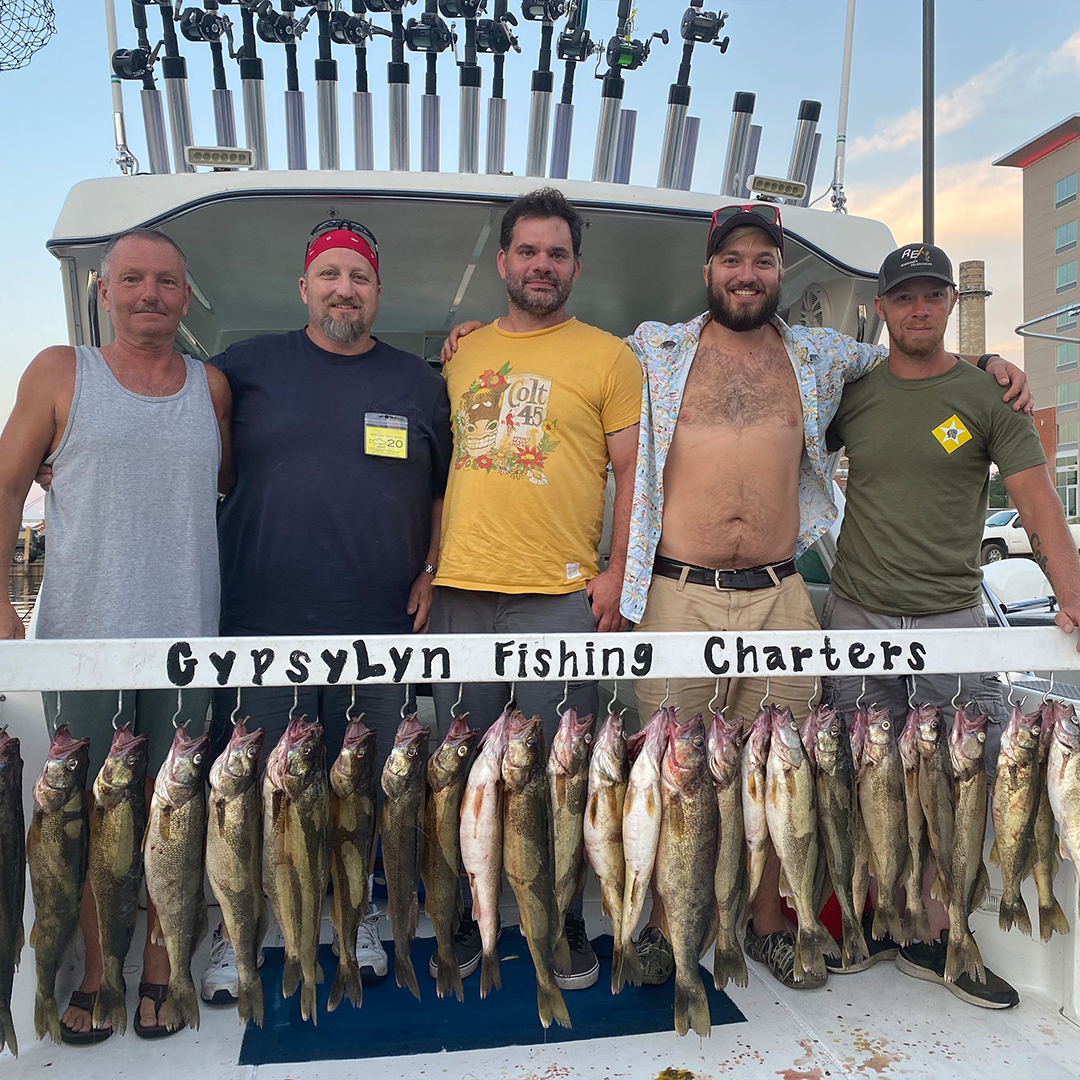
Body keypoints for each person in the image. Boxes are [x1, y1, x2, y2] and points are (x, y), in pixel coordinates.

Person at [618, 206, 1031, 991]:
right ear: (707, 272)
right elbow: (569, 366)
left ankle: (771, 926)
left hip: (779, 594)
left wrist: (987, 362)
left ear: (781, 273)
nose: (748, 274)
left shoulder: (820, 354)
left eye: (764, 261)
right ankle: (668, 931)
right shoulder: (654, 348)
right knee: (673, 772)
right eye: (732, 260)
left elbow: (916, 360)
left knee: (782, 768)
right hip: (680, 591)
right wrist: (470, 334)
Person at [819, 242, 1080, 1008]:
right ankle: (870, 922)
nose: (920, 309)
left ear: (952, 306)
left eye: (933, 296)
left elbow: (1037, 505)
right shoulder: (853, 395)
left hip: (954, 620)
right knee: (862, 779)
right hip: (857, 613)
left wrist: (1073, 594)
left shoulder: (990, 396)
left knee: (952, 786)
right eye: (905, 298)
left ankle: (940, 937)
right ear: (883, 308)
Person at [199, 218, 452, 1003]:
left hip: (376, 619)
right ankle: (240, 920)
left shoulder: (419, 383)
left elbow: (445, 487)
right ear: (303, 285)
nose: (346, 289)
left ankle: (355, 909)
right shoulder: (243, 367)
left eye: (361, 277)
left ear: (379, 292)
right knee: (253, 787)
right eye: (331, 274)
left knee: (364, 783)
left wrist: (434, 569)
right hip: (260, 618)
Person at [0, 227, 232, 1040]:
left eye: (167, 282)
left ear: (186, 294)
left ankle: (163, 967)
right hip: (82, 637)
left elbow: (223, 483)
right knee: (94, 822)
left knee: (179, 812)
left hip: (186, 642)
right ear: (104, 290)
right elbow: (4, 481)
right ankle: (100, 971)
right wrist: (0, 597)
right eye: (132, 279)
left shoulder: (211, 390)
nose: (149, 296)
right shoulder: (60, 371)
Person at [430, 187, 643, 991]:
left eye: (557, 253)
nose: (542, 265)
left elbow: (633, 476)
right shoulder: (463, 353)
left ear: (575, 266)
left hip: (560, 596)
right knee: (464, 771)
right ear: (502, 262)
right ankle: (463, 905)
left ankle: (560, 921)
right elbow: (447, 473)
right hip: (460, 594)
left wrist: (617, 572)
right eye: (528, 252)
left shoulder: (609, 357)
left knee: (560, 774)